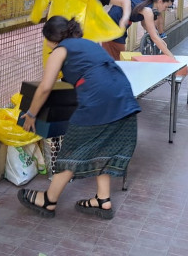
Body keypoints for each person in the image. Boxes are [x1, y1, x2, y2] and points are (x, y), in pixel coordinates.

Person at [16, 17, 141, 219]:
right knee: (105, 146)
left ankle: (49, 199)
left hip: (98, 102)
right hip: (124, 97)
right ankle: (103, 200)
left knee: (73, 149)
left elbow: (46, 87)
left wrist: (31, 114)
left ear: (50, 37)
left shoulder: (60, 50)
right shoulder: (88, 44)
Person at [102, 0, 176, 61]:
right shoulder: (148, 10)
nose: (165, 9)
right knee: (117, 58)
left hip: (115, 23)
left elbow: (144, 24)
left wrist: (158, 38)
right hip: (113, 25)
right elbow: (154, 37)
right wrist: (171, 56)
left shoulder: (146, 1)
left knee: (117, 56)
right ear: (160, 1)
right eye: (166, 6)